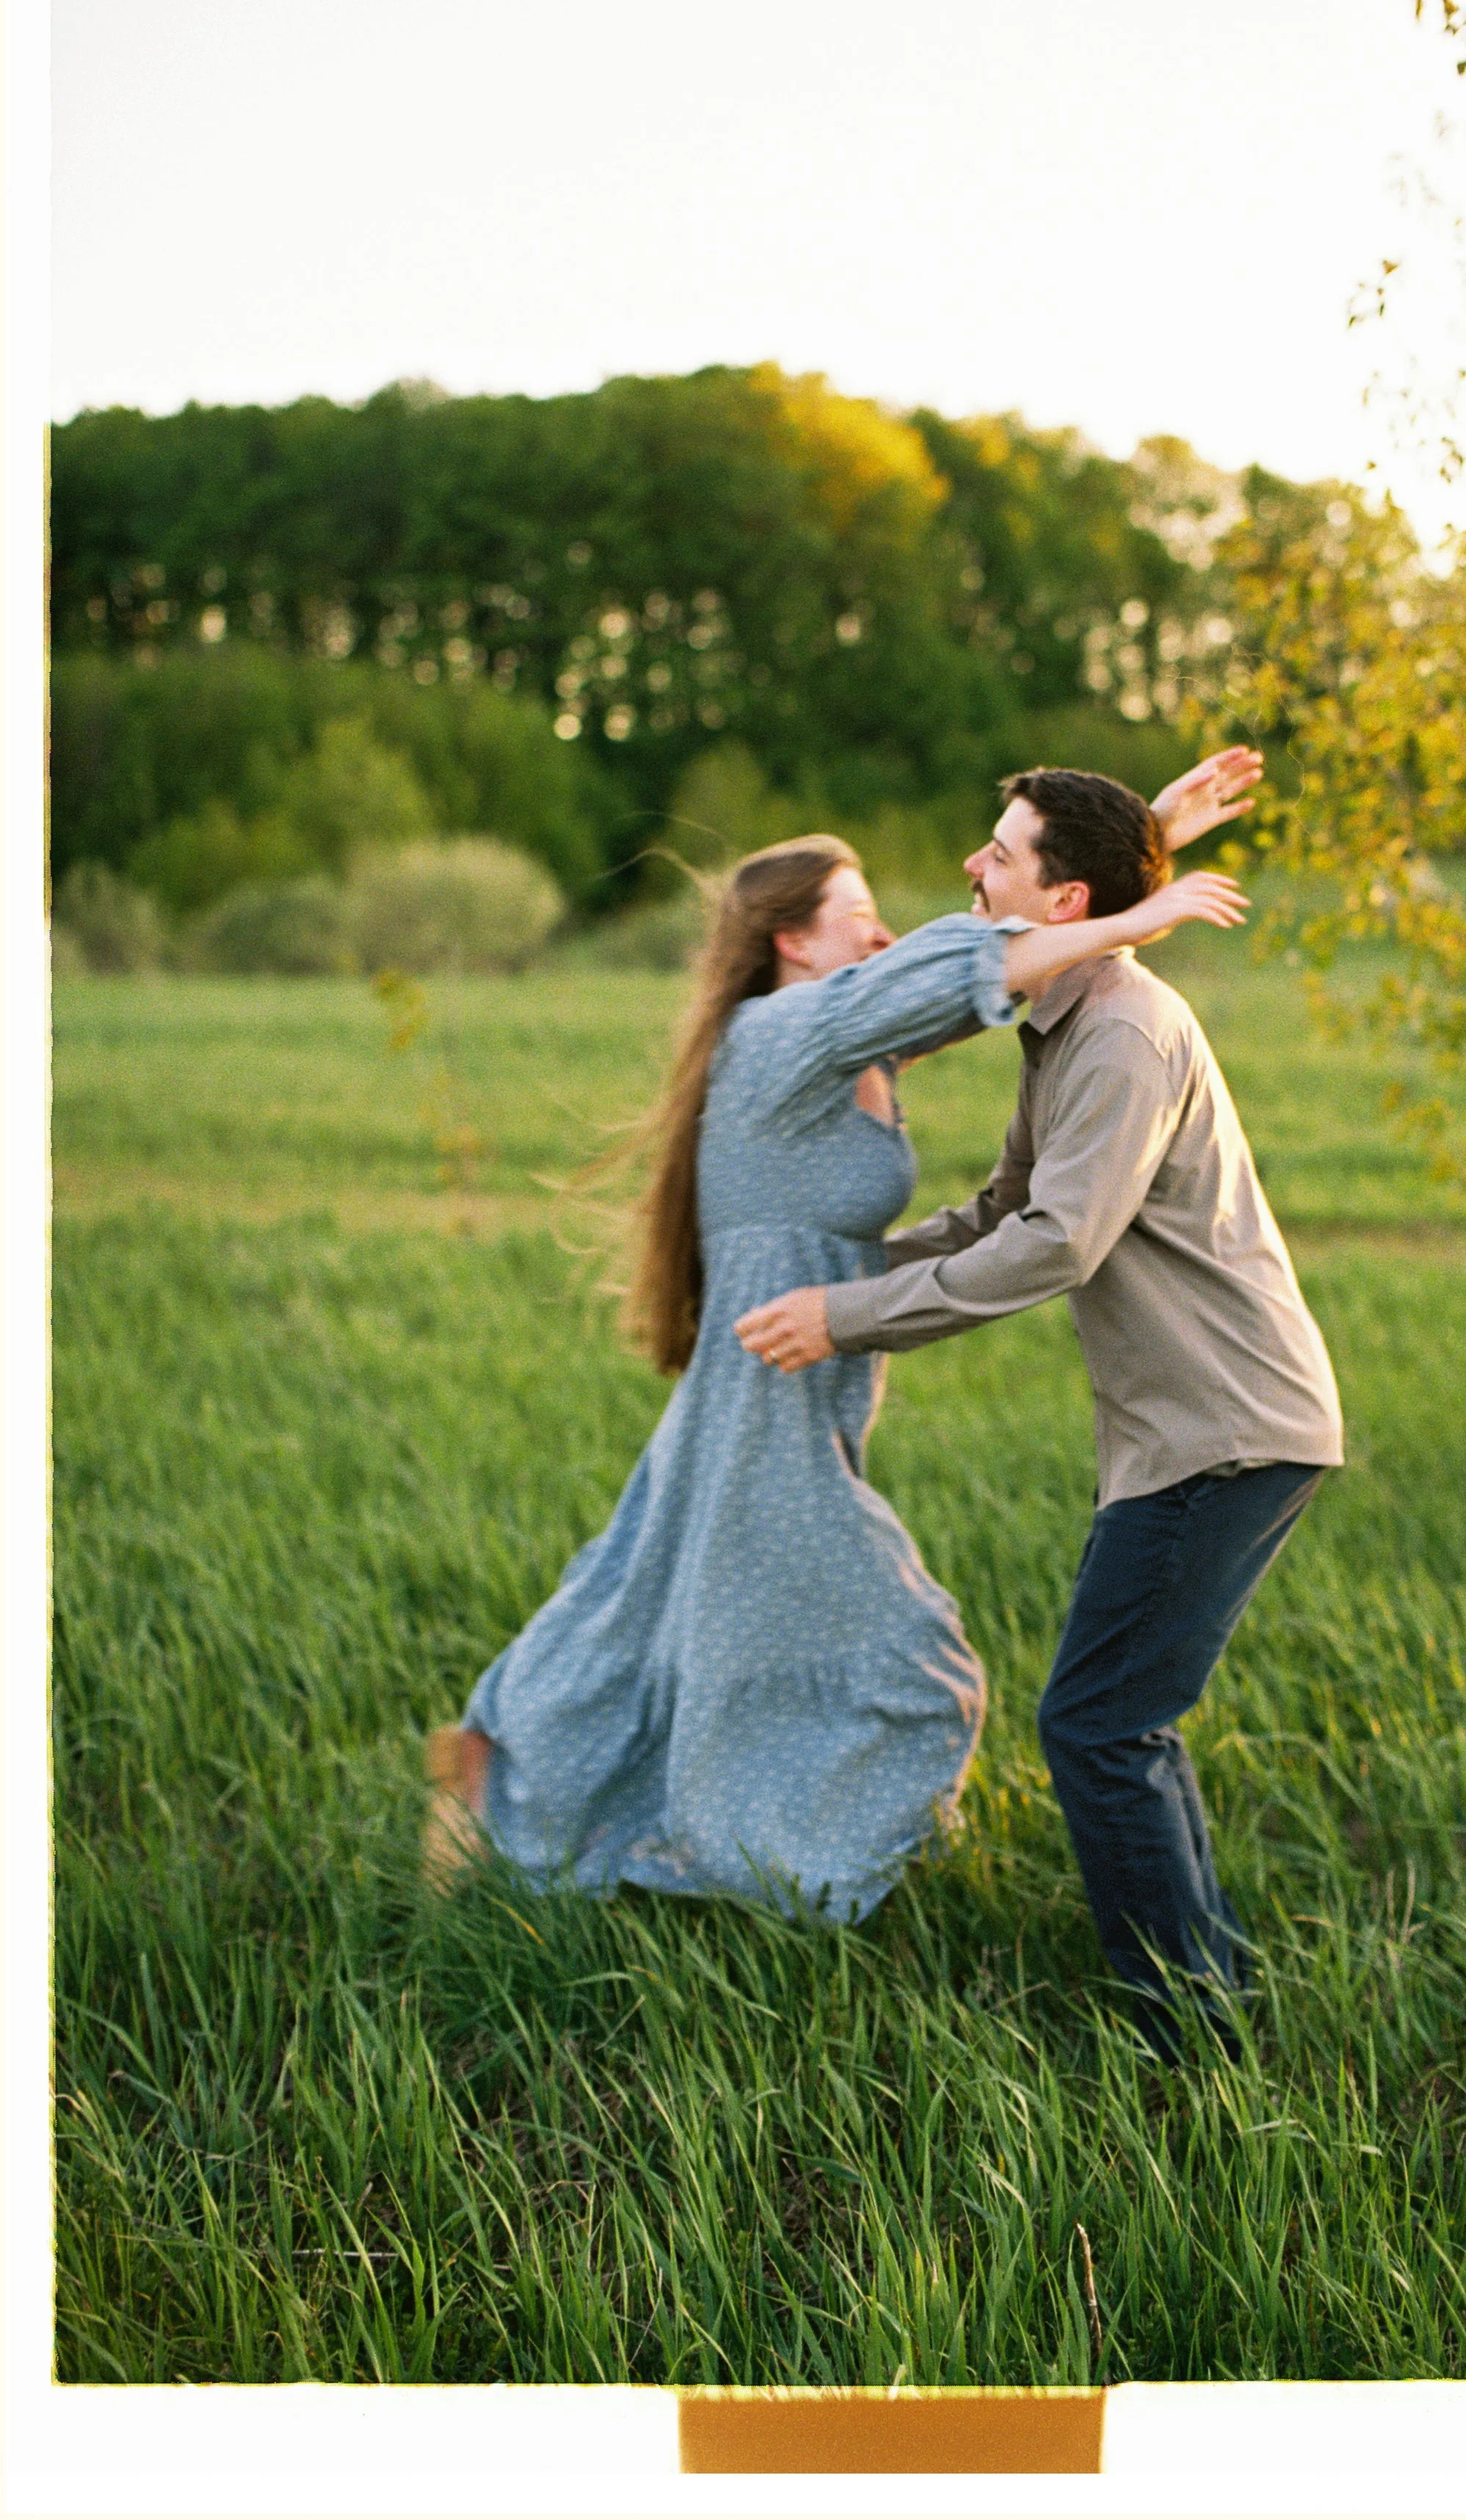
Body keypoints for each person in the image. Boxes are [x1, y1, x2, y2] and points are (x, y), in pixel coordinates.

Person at [424, 828, 1249, 1918]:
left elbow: (998, 961)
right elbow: (969, 963)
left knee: (645, 1594)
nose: (884, 928)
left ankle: (502, 1763)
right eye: (856, 913)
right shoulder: (781, 1032)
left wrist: (1140, 843)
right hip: (770, 1398)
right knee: (913, 1663)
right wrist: (1143, 916)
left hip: (790, 1389)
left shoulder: (845, 1043)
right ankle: (787, 1870)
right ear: (792, 941)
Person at [735, 762, 1343, 2058]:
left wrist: (844, 1319)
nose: (974, 869)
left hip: (1227, 1428)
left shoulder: (1122, 1030)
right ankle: (1207, 2004)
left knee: (1097, 1723)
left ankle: (1187, 2045)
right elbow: (1002, 1207)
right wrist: (849, 1270)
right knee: (1123, 1721)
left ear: (1062, 895)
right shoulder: (1062, 1021)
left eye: (1000, 857)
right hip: (1198, 1429)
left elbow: (1055, 1244)